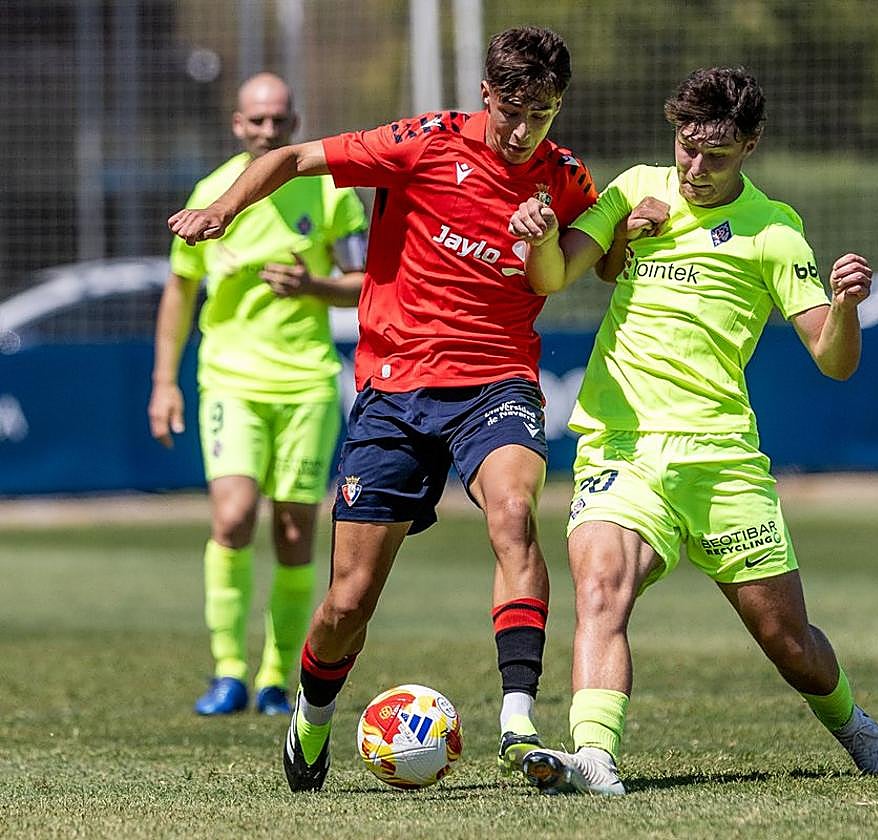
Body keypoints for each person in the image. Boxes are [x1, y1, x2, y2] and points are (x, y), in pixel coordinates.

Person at [168, 27, 598, 792]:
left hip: (497, 382)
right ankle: (312, 711)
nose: (525, 130)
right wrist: (226, 209)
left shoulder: (563, 177)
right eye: (513, 111)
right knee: (348, 601)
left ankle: (518, 723)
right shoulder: (422, 143)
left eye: (545, 112)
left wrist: (623, 224)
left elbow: (596, 254)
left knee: (513, 515)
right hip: (395, 393)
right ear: (486, 96)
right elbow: (291, 159)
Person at [506, 66, 878, 796]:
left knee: (790, 645)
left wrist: (847, 307)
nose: (694, 168)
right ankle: (595, 758)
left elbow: (833, 360)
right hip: (621, 448)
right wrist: (540, 237)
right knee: (601, 590)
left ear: (750, 145)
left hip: (721, 460)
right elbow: (553, 276)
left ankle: (850, 721)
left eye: (715, 154)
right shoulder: (633, 189)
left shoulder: (776, 231)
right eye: (686, 147)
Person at [149, 72, 367, 718]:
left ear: (293, 123)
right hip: (231, 381)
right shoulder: (210, 194)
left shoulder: (329, 195)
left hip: (304, 383)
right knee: (233, 515)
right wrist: (163, 381)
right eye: (257, 121)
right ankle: (228, 671)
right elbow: (179, 292)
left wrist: (312, 286)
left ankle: (277, 677)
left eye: (279, 120)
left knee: (296, 532)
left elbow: (363, 281)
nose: (269, 130)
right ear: (238, 125)